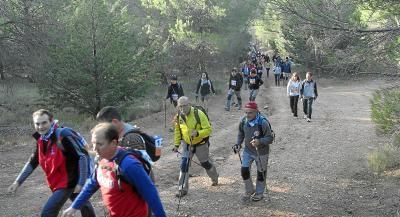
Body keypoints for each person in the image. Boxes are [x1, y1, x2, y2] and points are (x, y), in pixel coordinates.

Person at [61, 123, 167, 217]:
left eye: (99, 144)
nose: (94, 148)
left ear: (113, 143)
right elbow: (92, 183)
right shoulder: (102, 159)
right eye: (93, 143)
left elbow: (150, 193)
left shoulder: (129, 165)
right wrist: (74, 206)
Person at [7, 109, 96, 217]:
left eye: (44, 122)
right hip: (57, 181)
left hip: (69, 182)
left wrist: (81, 183)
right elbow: (33, 161)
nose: (40, 127)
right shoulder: (41, 139)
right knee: (83, 204)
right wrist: (17, 182)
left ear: (51, 121)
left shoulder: (63, 137)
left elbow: (82, 157)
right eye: (37, 124)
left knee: (48, 212)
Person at [172, 96, 219, 197]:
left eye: (184, 106)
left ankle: (215, 177)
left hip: (201, 143)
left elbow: (208, 130)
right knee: (184, 165)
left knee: (205, 163)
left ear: (189, 105)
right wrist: (176, 145)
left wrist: (198, 133)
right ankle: (182, 189)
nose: (182, 109)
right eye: (180, 107)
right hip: (187, 144)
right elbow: (177, 131)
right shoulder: (179, 116)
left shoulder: (199, 114)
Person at [232, 101, 274, 202]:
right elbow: (241, 134)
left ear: (256, 111)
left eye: (250, 112)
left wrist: (259, 141)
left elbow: (270, 138)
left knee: (261, 173)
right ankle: (249, 190)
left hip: (262, 152)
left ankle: (259, 193)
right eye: (246, 112)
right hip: (248, 150)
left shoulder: (263, 122)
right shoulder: (243, 121)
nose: (247, 115)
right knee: (244, 170)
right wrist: (238, 144)